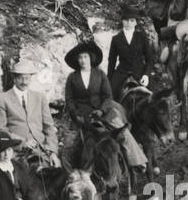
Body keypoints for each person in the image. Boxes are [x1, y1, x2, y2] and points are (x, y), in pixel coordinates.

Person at [62, 39, 147, 176]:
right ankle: (72, 176)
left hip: (103, 112)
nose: (83, 60)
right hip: (82, 115)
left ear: (91, 58)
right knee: (67, 147)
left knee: (122, 132)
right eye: (80, 58)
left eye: (85, 57)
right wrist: (75, 114)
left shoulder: (100, 74)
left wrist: (102, 110)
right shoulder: (72, 77)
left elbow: (108, 96)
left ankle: (137, 162)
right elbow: (69, 99)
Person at [0, 58, 59, 168]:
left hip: (41, 150)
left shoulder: (39, 97)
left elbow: (49, 127)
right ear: (14, 78)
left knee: (57, 175)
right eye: (20, 78)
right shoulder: (2, 99)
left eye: (27, 78)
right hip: (15, 151)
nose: (24, 81)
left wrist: (52, 152)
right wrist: (22, 142)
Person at [107, 0, 156, 101]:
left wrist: (146, 75)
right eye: (126, 20)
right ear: (122, 20)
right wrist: (109, 79)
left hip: (139, 72)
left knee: (152, 98)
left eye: (132, 20)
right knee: (109, 97)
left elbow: (150, 59)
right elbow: (111, 61)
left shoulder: (142, 37)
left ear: (136, 22)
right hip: (121, 73)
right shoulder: (116, 39)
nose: (129, 23)